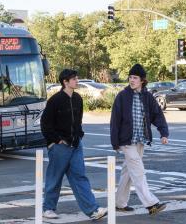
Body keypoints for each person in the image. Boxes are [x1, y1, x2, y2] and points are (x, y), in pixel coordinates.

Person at [41, 69, 107, 220]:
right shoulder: (55, 100)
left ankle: (93, 210)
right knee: (55, 177)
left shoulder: (78, 98)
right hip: (60, 146)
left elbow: (78, 121)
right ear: (65, 82)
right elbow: (45, 124)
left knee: (80, 177)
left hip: (76, 144)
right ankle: (48, 208)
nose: (77, 81)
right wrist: (56, 140)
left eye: (76, 78)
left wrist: (79, 135)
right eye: (74, 79)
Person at [110, 64, 169, 216]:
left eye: (135, 77)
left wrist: (163, 133)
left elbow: (157, 115)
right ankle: (151, 204)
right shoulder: (122, 96)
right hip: (126, 141)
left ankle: (119, 203)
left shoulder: (147, 96)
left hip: (140, 140)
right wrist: (115, 142)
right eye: (130, 77)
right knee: (138, 171)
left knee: (128, 172)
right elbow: (115, 120)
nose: (132, 80)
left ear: (142, 80)